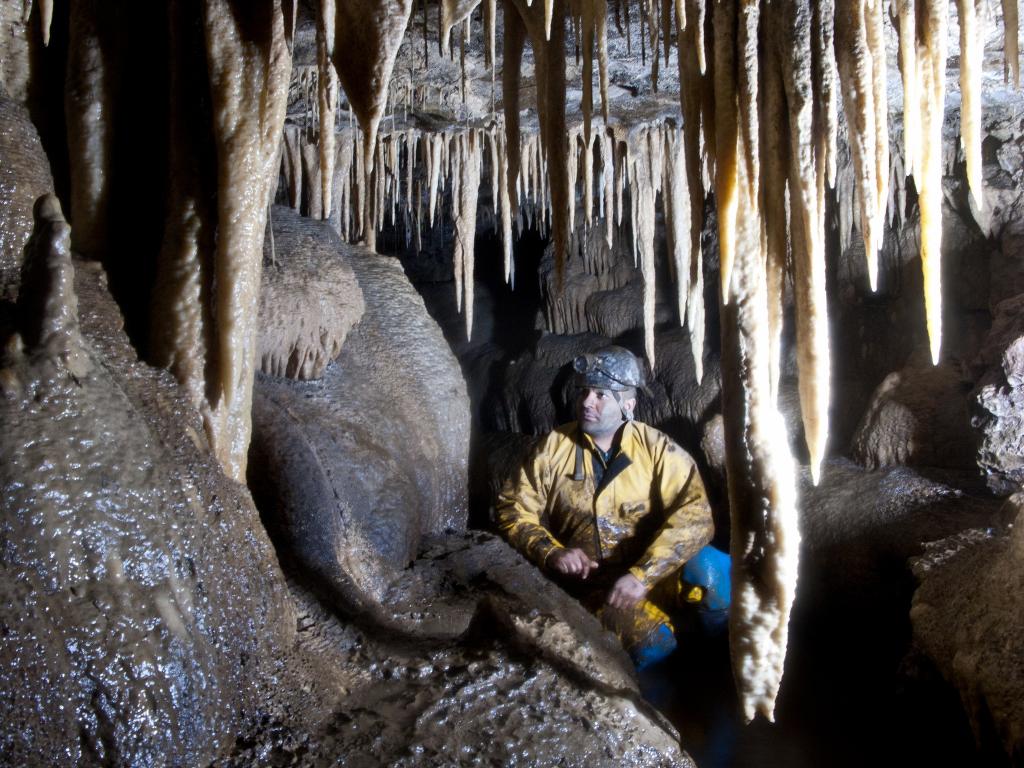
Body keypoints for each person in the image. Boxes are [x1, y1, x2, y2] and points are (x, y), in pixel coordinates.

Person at [496, 345, 727, 669]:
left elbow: (696, 516)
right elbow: (511, 508)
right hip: (595, 587)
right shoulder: (553, 448)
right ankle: (653, 707)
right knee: (653, 641)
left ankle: (719, 663)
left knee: (715, 571)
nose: (587, 402)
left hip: (650, 571)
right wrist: (551, 552)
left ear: (627, 405)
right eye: (584, 392)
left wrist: (643, 575)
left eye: (601, 394)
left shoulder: (656, 448)